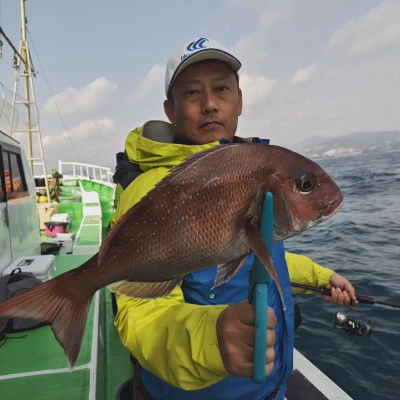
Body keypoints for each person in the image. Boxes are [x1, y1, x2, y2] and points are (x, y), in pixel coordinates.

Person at [111, 37, 357, 400]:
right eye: (193, 93)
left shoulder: (253, 171)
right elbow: (139, 314)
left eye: (221, 89)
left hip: (270, 388)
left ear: (239, 100)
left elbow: (260, 254)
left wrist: (321, 277)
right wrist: (210, 340)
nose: (209, 104)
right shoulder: (150, 191)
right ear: (170, 110)